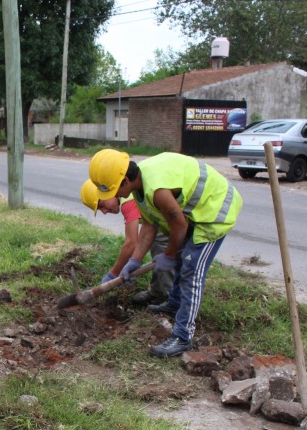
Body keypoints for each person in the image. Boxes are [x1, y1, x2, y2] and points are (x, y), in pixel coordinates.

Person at [86, 149, 242, 357]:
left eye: (113, 191)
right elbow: (151, 222)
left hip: (214, 212)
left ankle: (183, 336)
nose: (115, 197)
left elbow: (179, 226)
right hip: (193, 214)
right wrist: (135, 260)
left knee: (190, 270)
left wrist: (168, 255)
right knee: (180, 259)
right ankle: (174, 304)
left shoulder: (157, 189)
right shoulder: (139, 187)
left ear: (125, 180)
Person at [80, 180, 174, 299]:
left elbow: (131, 243)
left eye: (102, 205)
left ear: (108, 193)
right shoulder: (126, 198)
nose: (104, 212)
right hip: (165, 216)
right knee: (158, 242)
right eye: (99, 210)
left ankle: (163, 295)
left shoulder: (128, 201)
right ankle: (159, 291)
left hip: (176, 214)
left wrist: (113, 274)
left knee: (161, 244)